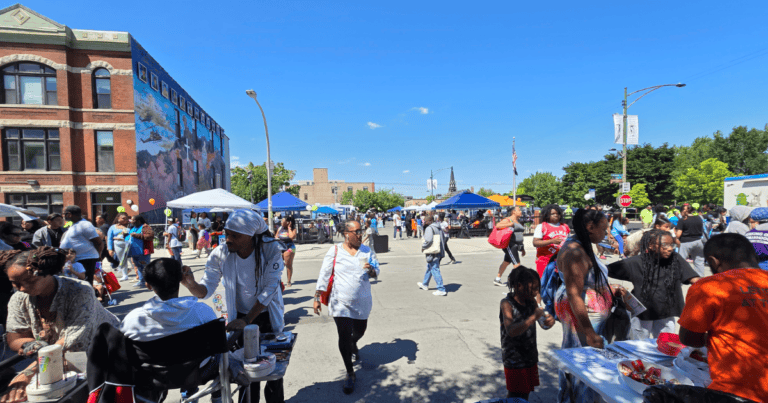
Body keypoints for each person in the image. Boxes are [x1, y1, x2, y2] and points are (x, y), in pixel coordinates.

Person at [181, 209, 285, 403]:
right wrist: (191, 285)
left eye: (235, 236)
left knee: (274, 372)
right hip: (240, 319)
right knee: (247, 373)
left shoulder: (271, 249)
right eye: (227, 234)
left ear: (251, 236)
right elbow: (206, 290)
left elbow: (270, 289)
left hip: (266, 316)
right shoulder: (221, 253)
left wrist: (247, 320)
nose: (228, 239)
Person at [0, 247, 119, 403]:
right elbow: (15, 338)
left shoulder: (79, 291)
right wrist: (32, 345)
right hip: (61, 356)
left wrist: (26, 374)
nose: (21, 288)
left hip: (103, 352)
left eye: (29, 281)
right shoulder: (19, 298)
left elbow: (72, 343)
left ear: (48, 273)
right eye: (14, 283)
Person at [678, 233, 768, 403]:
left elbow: (689, 337)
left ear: (713, 261)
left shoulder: (709, 287)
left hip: (736, 391)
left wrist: (712, 338)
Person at [555, 208, 625, 403]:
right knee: (581, 363)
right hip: (583, 317)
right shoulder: (575, 252)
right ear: (590, 227)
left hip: (588, 313)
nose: (607, 233)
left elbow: (585, 281)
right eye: (604, 228)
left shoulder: (583, 245)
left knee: (580, 360)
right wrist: (590, 333)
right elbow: (574, 293)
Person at [313, 220, 379, 394]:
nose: (359, 234)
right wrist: (317, 297)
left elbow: (377, 271)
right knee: (343, 334)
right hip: (339, 302)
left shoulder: (367, 251)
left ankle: (353, 343)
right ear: (346, 233)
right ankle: (350, 373)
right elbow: (324, 274)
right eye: (356, 231)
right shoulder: (334, 251)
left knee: (359, 331)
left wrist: (371, 270)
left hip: (362, 301)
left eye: (361, 231)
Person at [607, 229, 700, 339]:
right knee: (639, 346)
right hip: (642, 314)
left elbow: (695, 280)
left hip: (667, 313)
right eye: (665, 245)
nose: (670, 248)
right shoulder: (635, 262)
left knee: (666, 345)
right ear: (651, 245)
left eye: (672, 244)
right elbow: (605, 270)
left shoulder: (676, 259)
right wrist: (615, 287)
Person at [500, 266, 555, 400]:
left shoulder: (531, 302)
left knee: (525, 393)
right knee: (514, 395)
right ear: (519, 286)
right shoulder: (507, 304)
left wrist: (549, 322)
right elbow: (511, 330)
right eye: (533, 289)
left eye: (538, 289)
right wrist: (533, 317)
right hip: (514, 359)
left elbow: (543, 324)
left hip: (529, 356)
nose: (536, 293)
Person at [60, 205, 103, 285]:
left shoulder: (85, 224)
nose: (63, 216)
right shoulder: (75, 224)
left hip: (86, 259)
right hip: (77, 259)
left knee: (85, 284)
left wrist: (99, 256)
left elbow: (99, 242)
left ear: (69, 214)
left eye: (63, 214)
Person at [533, 204, 570, 277]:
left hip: (562, 260)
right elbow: (535, 242)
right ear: (547, 215)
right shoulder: (542, 226)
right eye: (552, 214)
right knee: (544, 284)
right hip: (545, 260)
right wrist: (552, 241)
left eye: (557, 213)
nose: (556, 215)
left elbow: (569, 242)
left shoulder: (565, 227)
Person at [494, 207, 526, 286]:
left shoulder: (517, 221)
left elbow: (519, 235)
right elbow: (498, 225)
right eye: (519, 210)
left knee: (506, 262)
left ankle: (497, 279)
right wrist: (510, 224)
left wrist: (522, 248)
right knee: (517, 264)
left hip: (516, 245)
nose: (521, 211)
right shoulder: (508, 220)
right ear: (513, 212)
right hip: (510, 245)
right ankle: (516, 281)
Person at [417, 215, 447, 296]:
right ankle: (425, 284)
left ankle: (441, 289)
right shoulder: (438, 227)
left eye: (426, 221)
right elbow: (443, 239)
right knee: (430, 267)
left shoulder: (429, 228)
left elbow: (428, 240)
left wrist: (423, 247)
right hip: (439, 251)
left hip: (432, 252)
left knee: (434, 268)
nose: (425, 223)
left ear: (430, 221)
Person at [676, 204, 707, 276]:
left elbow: (678, 234)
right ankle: (699, 280)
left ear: (684, 211)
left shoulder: (682, 220)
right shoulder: (699, 218)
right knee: (699, 262)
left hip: (685, 242)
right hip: (698, 241)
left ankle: (680, 278)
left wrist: (674, 234)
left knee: (681, 261)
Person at [128, 215, 154, 287]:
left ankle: (149, 282)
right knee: (139, 267)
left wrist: (137, 235)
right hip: (135, 252)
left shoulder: (145, 227)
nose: (131, 222)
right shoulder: (134, 228)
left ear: (138, 221)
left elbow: (150, 236)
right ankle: (142, 281)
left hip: (143, 251)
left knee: (145, 267)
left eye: (133, 220)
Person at [107, 212, 132, 281]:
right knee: (122, 259)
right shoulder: (112, 227)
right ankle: (125, 275)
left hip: (128, 244)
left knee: (132, 260)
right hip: (118, 245)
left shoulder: (129, 226)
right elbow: (109, 238)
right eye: (123, 218)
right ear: (118, 218)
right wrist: (110, 249)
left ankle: (139, 275)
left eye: (126, 219)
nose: (125, 220)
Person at [276, 216, 297, 287]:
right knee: (278, 264)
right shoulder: (280, 228)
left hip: (289, 247)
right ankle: (278, 280)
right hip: (280, 247)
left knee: (288, 264)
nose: (281, 222)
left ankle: (288, 281)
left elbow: (291, 237)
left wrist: (289, 228)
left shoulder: (293, 229)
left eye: (283, 220)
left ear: (288, 222)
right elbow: (276, 237)